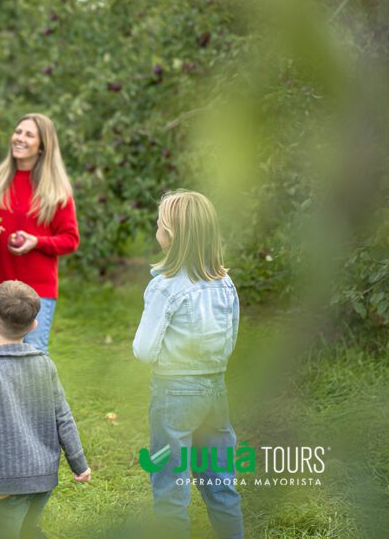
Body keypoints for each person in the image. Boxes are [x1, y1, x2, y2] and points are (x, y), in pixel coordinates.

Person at [132, 190, 243, 538]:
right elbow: (231, 338)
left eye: (159, 224)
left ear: (171, 237)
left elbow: (144, 350)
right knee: (221, 483)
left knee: (170, 488)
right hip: (215, 390)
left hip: (174, 395)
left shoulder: (165, 287)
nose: (156, 230)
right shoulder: (225, 283)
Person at [0, 280, 91, 539]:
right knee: (29, 531)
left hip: (7, 480)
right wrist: (79, 464)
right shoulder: (45, 364)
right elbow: (63, 417)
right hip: (43, 477)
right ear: (34, 326)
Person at [0, 114, 79, 354]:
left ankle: (38, 394)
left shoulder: (56, 190)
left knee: (34, 353)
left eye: (29, 135)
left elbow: (70, 239)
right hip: (1, 286)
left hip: (38, 290)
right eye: (18, 132)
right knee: (4, 353)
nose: (20, 138)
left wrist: (36, 241)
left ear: (43, 146)